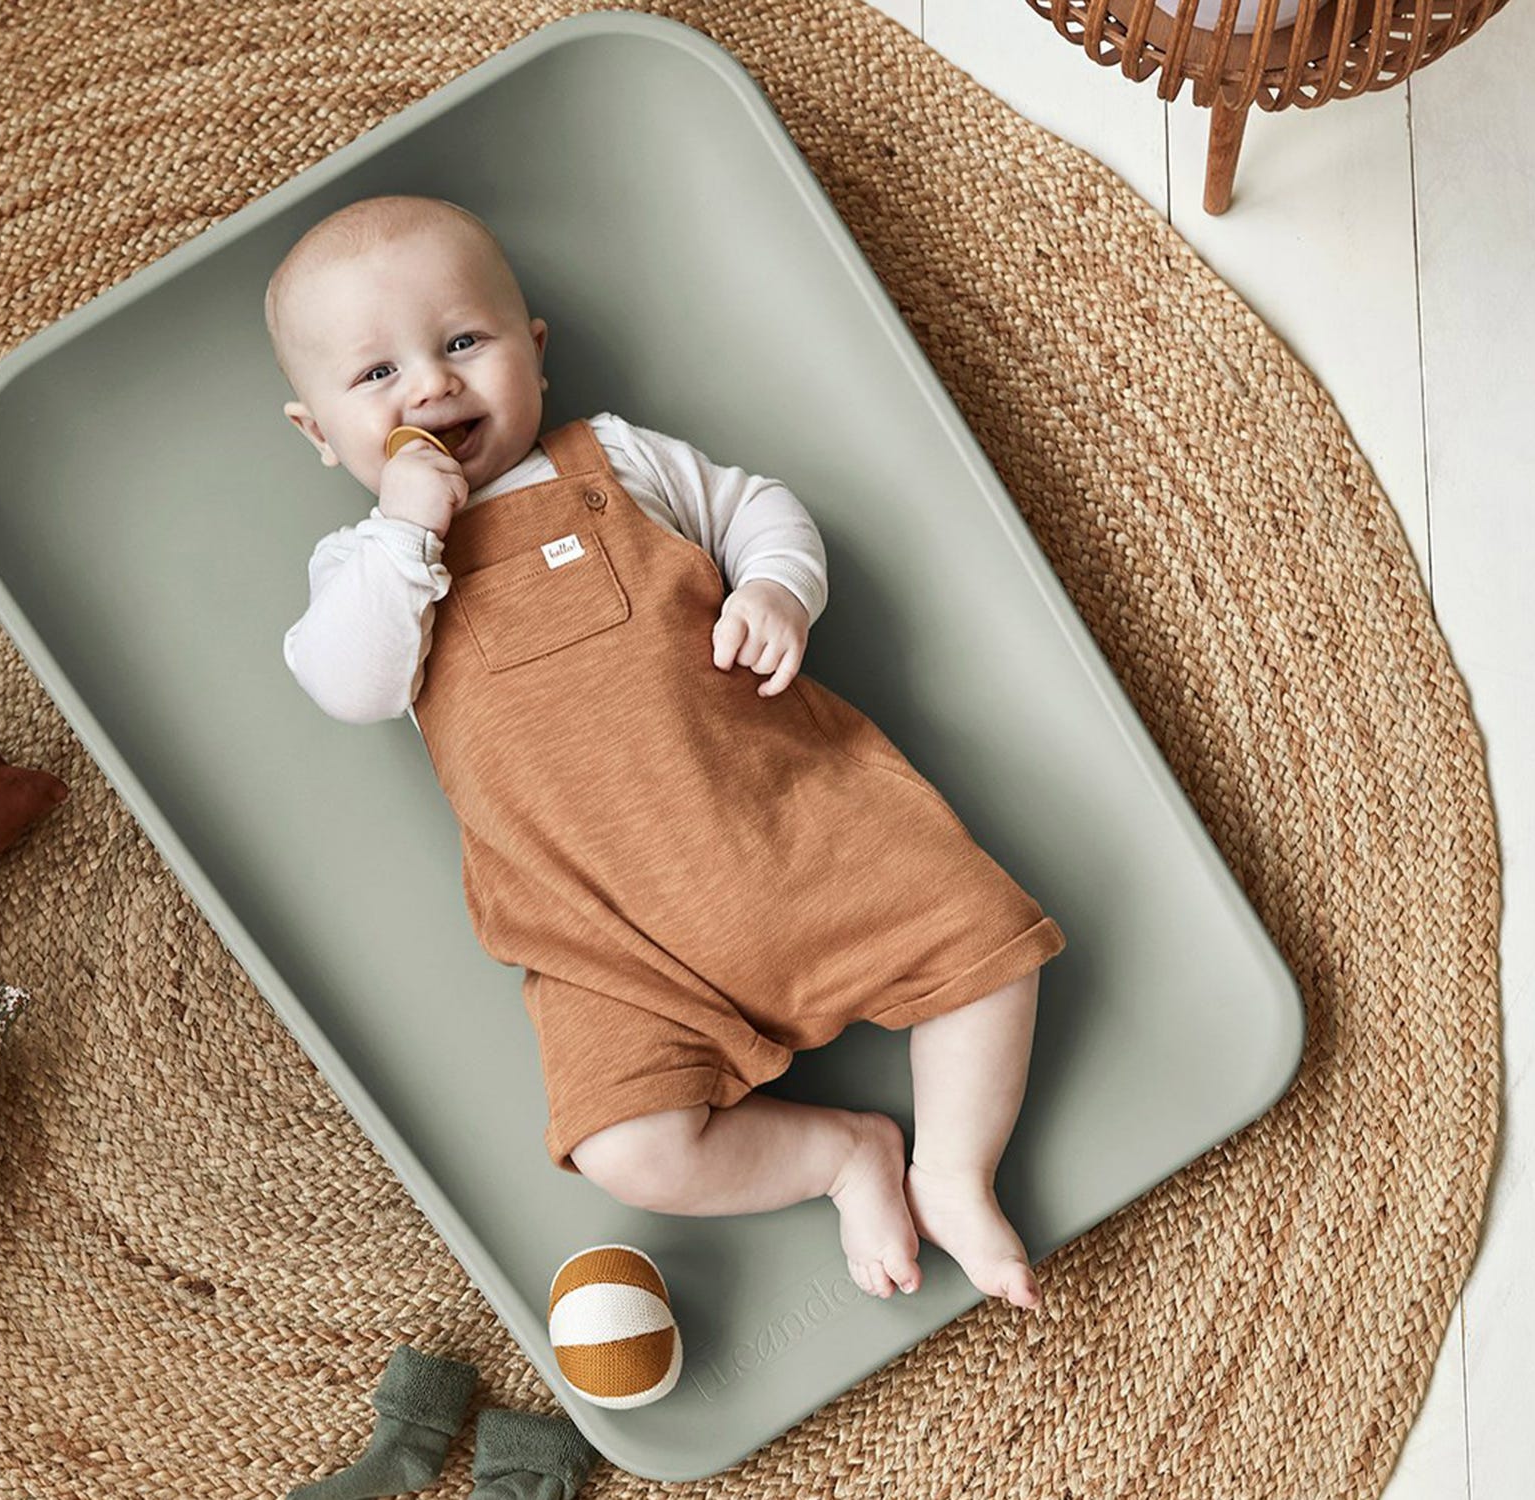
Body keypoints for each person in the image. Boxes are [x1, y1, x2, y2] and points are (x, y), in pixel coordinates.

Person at [268, 195, 1065, 1309]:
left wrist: (777, 589)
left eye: (461, 344)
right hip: (606, 943)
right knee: (627, 1152)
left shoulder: (614, 458)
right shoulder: (366, 569)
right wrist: (408, 522)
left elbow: (764, 511)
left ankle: (952, 1169)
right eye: (375, 377)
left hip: (791, 830)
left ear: (531, 352)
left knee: (990, 956)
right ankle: (841, 1154)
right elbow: (346, 684)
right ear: (316, 432)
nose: (431, 388)